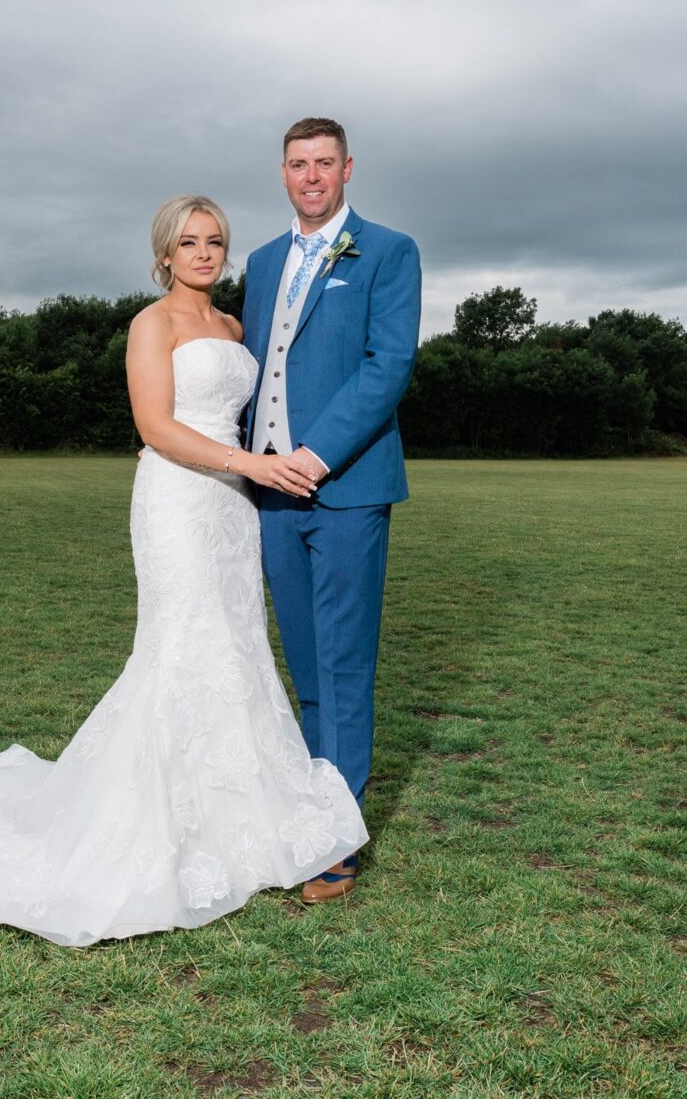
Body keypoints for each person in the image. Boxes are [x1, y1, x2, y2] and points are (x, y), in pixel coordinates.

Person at [0, 194, 366, 948]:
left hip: (232, 510)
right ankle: (157, 820)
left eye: (215, 241)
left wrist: (257, 468)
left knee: (235, 644)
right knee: (180, 645)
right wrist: (244, 462)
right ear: (163, 254)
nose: (203, 253)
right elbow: (155, 426)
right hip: (177, 501)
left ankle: (236, 815)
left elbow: (261, 402)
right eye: (187, 242)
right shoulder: (150, 324)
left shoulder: (231, 326)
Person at [242, 118, 421, 904]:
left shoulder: (387, 251)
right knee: (306, 660)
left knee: (345, 661)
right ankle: (312, 806)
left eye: (323, 163)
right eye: (296, 164)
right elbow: (253, 369)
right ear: (282, 173)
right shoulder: (258, 261)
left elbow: (389, 366)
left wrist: (312, 458)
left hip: (344, 489)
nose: (310, 176)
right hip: (269, 497)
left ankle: (336, 838)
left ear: (347, 169)